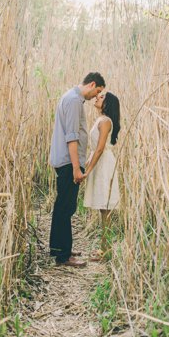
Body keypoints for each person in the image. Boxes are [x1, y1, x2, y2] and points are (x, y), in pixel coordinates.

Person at [48, 72, 105, 268]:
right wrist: (75, 168)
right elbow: (71, 137)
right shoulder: (73, 101)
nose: (95, 96)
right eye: (97, 91)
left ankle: (58, 247)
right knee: (66, 207)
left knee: (62, 205)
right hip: (67, 162)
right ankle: (63, 256)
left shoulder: (70, 98)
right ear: (92, 84)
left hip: (64, 161)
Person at [83, 89, 122, 258]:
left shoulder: (105, 121)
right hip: (98, 162)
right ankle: (104, 247)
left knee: (105, 207)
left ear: (107, 103)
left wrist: (89, 169)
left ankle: (105, 249)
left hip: (103, 164)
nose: (98, 97)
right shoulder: (100, 119)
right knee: (101, 207)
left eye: (102, 96)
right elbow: (95, 148)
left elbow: (99, 148)